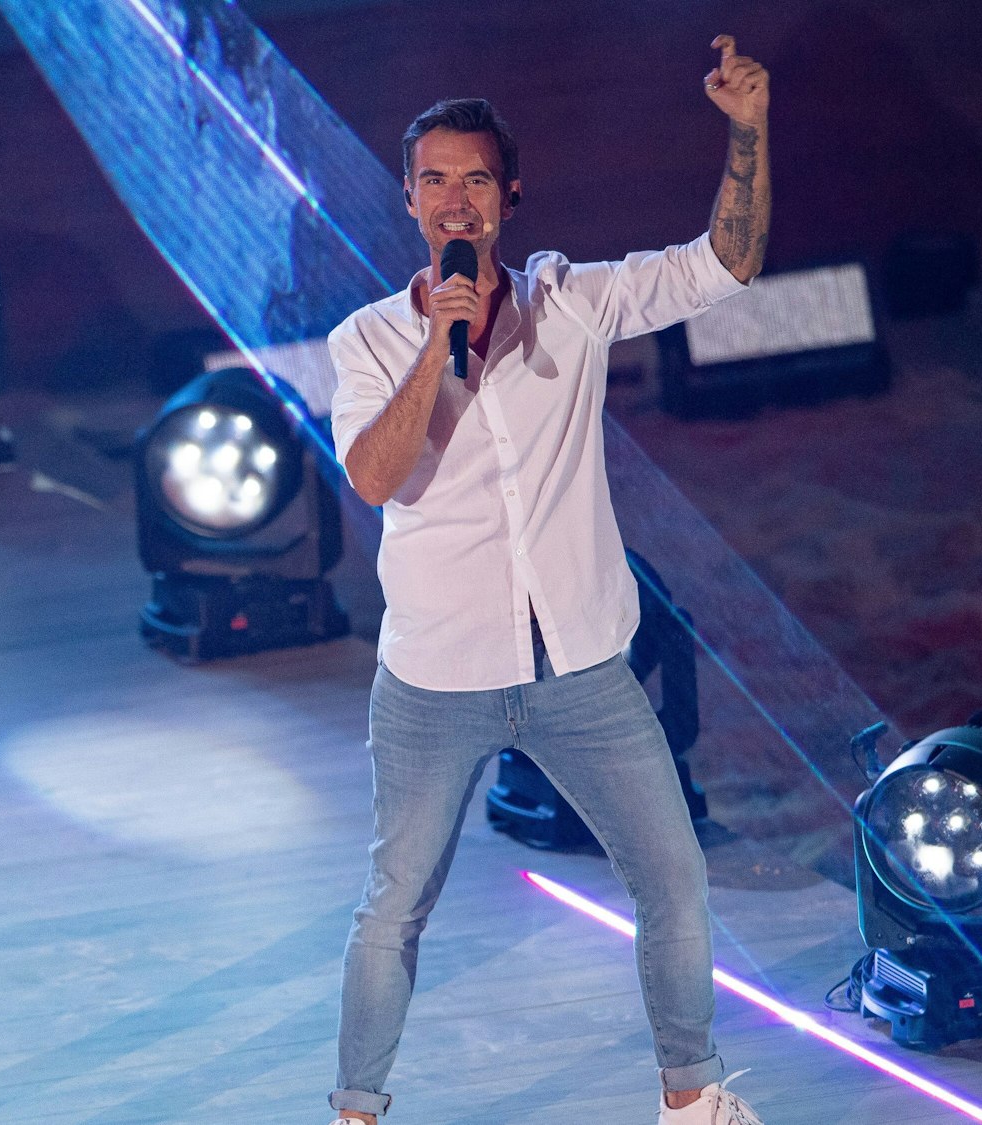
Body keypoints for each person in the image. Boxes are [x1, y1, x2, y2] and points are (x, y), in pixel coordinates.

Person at [322, 36, 770, 1125]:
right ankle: (353, 1111)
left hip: (579, 667)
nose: (453, 199)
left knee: (671, 883)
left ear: (508, 196)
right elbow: (377, 479)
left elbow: (725, 263)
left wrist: (747, 131)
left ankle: (689, 1102)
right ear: (409, 199)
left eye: (474, 177)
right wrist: (440, 344)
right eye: (433, 179)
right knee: (394, 912)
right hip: (434, 680)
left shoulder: (575, 303)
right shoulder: (368, 340)